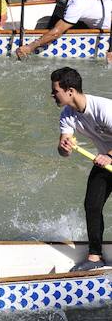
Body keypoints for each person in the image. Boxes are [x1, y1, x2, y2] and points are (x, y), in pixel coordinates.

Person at [50, 67, 112, 271]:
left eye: (55, 91)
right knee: (92, 205)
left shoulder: (103, 108)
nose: (52, 95)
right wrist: (63, 148)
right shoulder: (67, 115)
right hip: (105, 163)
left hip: (108, 158)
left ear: (70, 91)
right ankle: (95, 258)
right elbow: (64, 150)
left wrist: (109, 155)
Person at [15, 0, 112, 59]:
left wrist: (31, 47)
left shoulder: (77, 4)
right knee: (59, 8)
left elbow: (56, 33)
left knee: (57, 27)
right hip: (104, 10)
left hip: (106, 28)